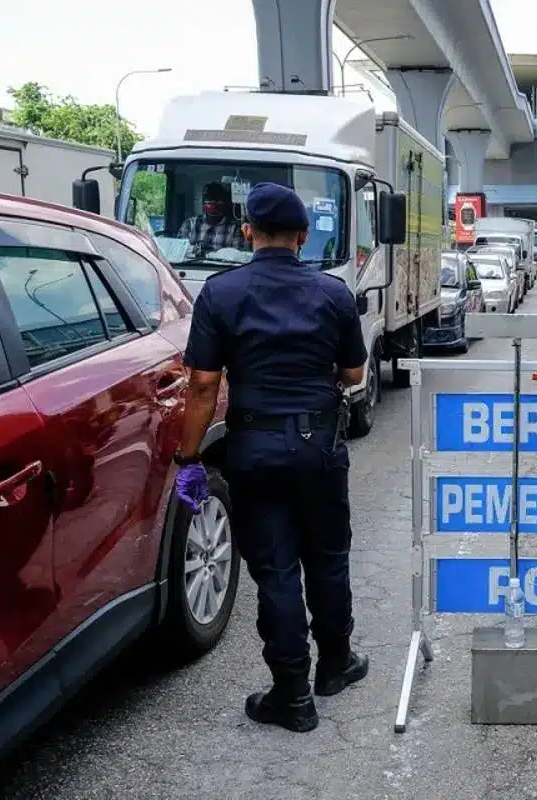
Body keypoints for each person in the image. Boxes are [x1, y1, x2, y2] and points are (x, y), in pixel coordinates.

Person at [172, 181, 370, 734]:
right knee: (328, 557)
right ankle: (336, 664)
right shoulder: (332, 293)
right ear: (303, 237)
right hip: (321, 448)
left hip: (254, 450)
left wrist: (189, 458)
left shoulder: (220, 292)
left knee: (276, 568)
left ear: (247, 233)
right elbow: (354, 374)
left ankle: (292, 695)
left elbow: (204, 385)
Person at [177, 182, 247, 256]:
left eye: (218, 200)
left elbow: (236, 257)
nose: (213, 203)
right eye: (210, 199)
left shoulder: (235, 230)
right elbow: (179, 251)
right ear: (203, 202)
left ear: (225, 203)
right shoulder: (189, 224)